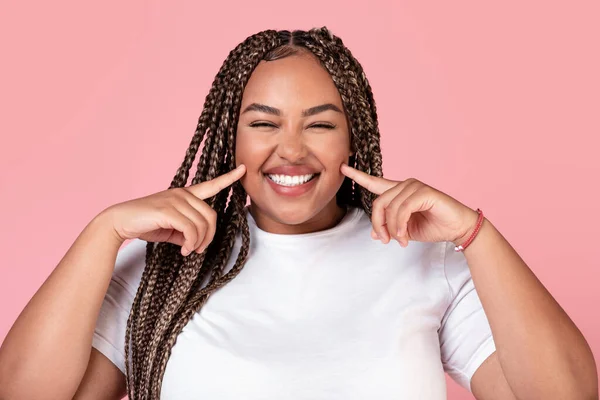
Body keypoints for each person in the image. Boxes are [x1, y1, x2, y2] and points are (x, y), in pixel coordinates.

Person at [0, 27, 596, 400]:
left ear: (352, 139)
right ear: (229, 140)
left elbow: (568, 394)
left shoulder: (428, 259)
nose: (291, 149)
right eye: (263, 123)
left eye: (320, 124)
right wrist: (102, 231)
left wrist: (476, 234)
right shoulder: (161, 272)